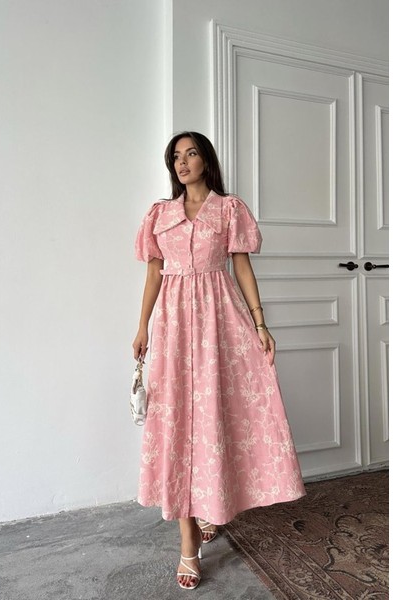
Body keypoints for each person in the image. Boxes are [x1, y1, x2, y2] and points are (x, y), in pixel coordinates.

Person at [132, 131, 305, 590]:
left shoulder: (229, 210)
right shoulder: (160, 214)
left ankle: (210, 503)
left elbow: (241, 266)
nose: (182, 162)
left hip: (220, 322)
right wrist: (142, 327)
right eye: (176, 156)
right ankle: (188, 540)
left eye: (191, 153)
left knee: (214, 416)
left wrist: (261, 324)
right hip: (173, 326)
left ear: (206, 160)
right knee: (176, 422)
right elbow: (153, 274)